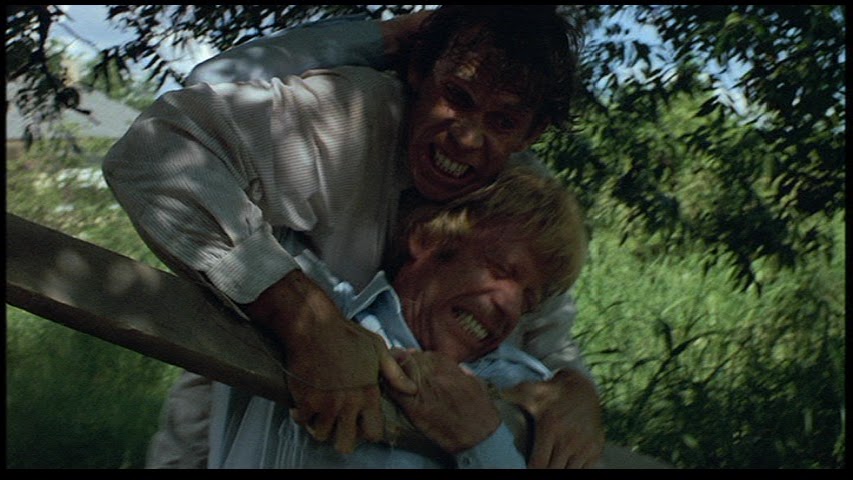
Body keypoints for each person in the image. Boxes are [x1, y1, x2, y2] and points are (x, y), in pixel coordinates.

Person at [103, 5, 604, 469]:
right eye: (457, 97)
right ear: (418, 73)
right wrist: (303, 318)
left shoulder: (516, 199)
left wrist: (576, 392)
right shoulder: (349, 116)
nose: (468, 138)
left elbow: (546, 327)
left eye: (503, 121)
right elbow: (157, 149)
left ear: (531, 134)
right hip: (229, 431)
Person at [209, 166, 588, 468]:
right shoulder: (321, 305)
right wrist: (312, 328)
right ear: (429, 239)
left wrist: (483, 440)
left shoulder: (526, 388)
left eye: (529, 301)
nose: (511, 307)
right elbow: (199, 181)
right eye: (500, 269)